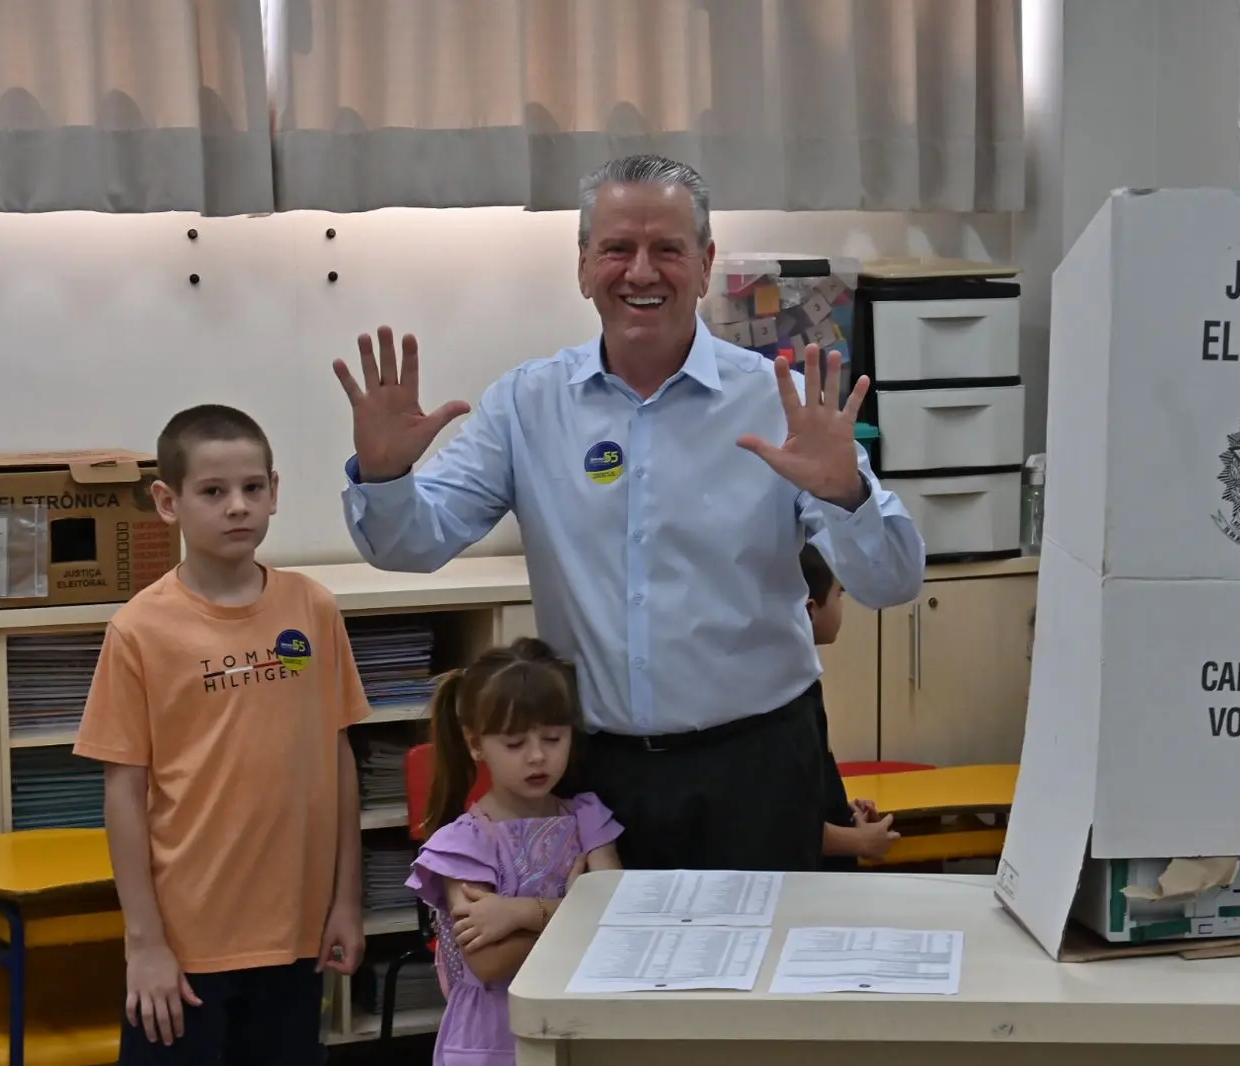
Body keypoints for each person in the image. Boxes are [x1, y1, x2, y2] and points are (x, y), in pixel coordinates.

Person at [333, 153, 926, 872]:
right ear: (583, 265)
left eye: (667, 249)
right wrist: (389, 475)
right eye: (617, 248)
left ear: (706, 265)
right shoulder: (528, 405)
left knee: (764, 974)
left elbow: (892, 584)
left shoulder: (781, 401)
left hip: (761, 767)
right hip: (596, 779)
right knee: (607, 979)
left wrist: (847, 496)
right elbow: (411, 544)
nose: (640, 272)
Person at [72, 404, 368, 1064]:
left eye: (252, 489)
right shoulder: (139, 630)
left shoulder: (312, 609)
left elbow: (338, 756)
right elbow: (124, 791)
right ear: (167, 501)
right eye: (213, 492)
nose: (238, 507)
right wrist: (144, 942)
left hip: (296, 934)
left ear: (274, 492)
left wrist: (347, 901)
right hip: (184, 950)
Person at [407, 637, 622, 1065]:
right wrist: (576, 909)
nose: (537, 756)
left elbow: (615, 919)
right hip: (495, 1037)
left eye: (553, 737)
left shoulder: (588, 816)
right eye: (514, 743)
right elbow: (489, 962)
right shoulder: (463, 846)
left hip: (579, 1020)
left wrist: (522, 913)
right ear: (475, 744)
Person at [800, 543, 900, 869]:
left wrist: (843, 812)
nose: (843, 605)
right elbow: (776, 820)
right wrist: (861, 841)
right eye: (840, 595)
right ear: (810, 609)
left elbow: (807, 788)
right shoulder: (783, 706)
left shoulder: (806, 686)